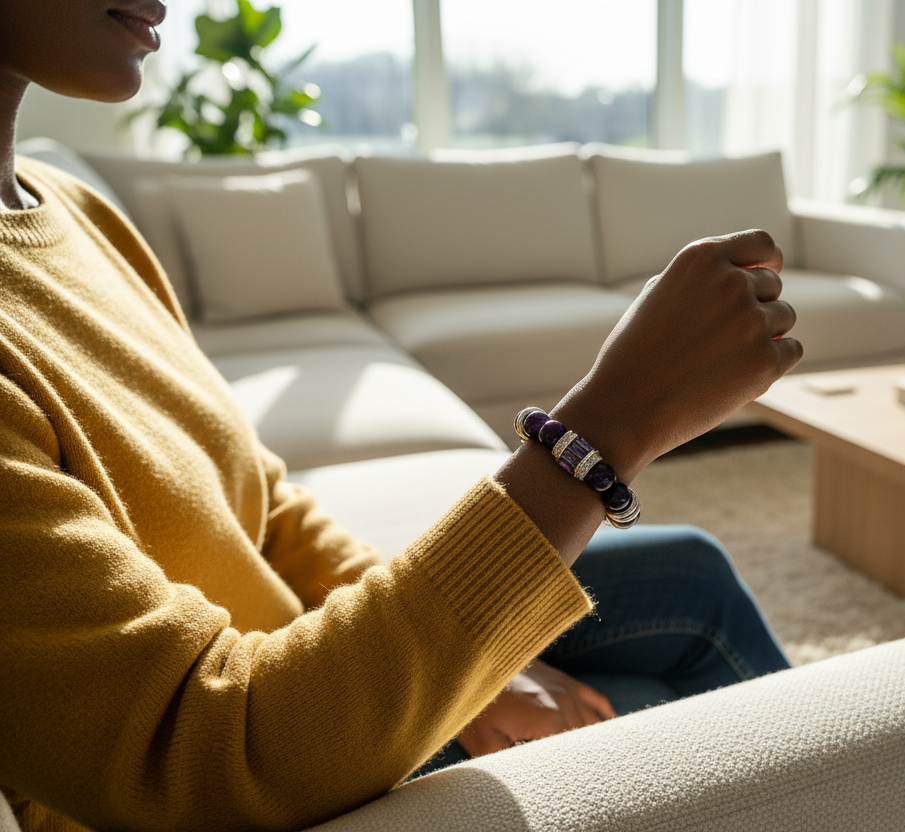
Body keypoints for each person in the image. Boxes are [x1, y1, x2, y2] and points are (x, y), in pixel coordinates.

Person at [0, 2, 803, 831]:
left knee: (691, 578)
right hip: (253, 765)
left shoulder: (76, 214)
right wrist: (600, 434)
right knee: (654, 711)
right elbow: (202, 758)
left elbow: (263, 502)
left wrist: (466, 675)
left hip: (305, 677)